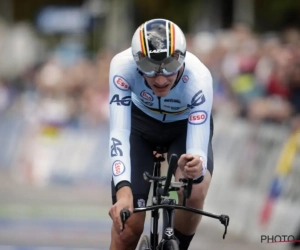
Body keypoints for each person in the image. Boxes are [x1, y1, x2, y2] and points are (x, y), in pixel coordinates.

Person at [108, 18, 214, 250]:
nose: (160, 79)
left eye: (169, 67)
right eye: (149, 68)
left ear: (182, 59)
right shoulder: (122, 66)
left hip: (183, 127)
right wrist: (123, 191)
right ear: (137, 62)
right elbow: (119, 131)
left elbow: (197, 150)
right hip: (140, 126)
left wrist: (196, 165)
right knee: (127, 230)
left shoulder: (200, 79)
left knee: (195, 190)